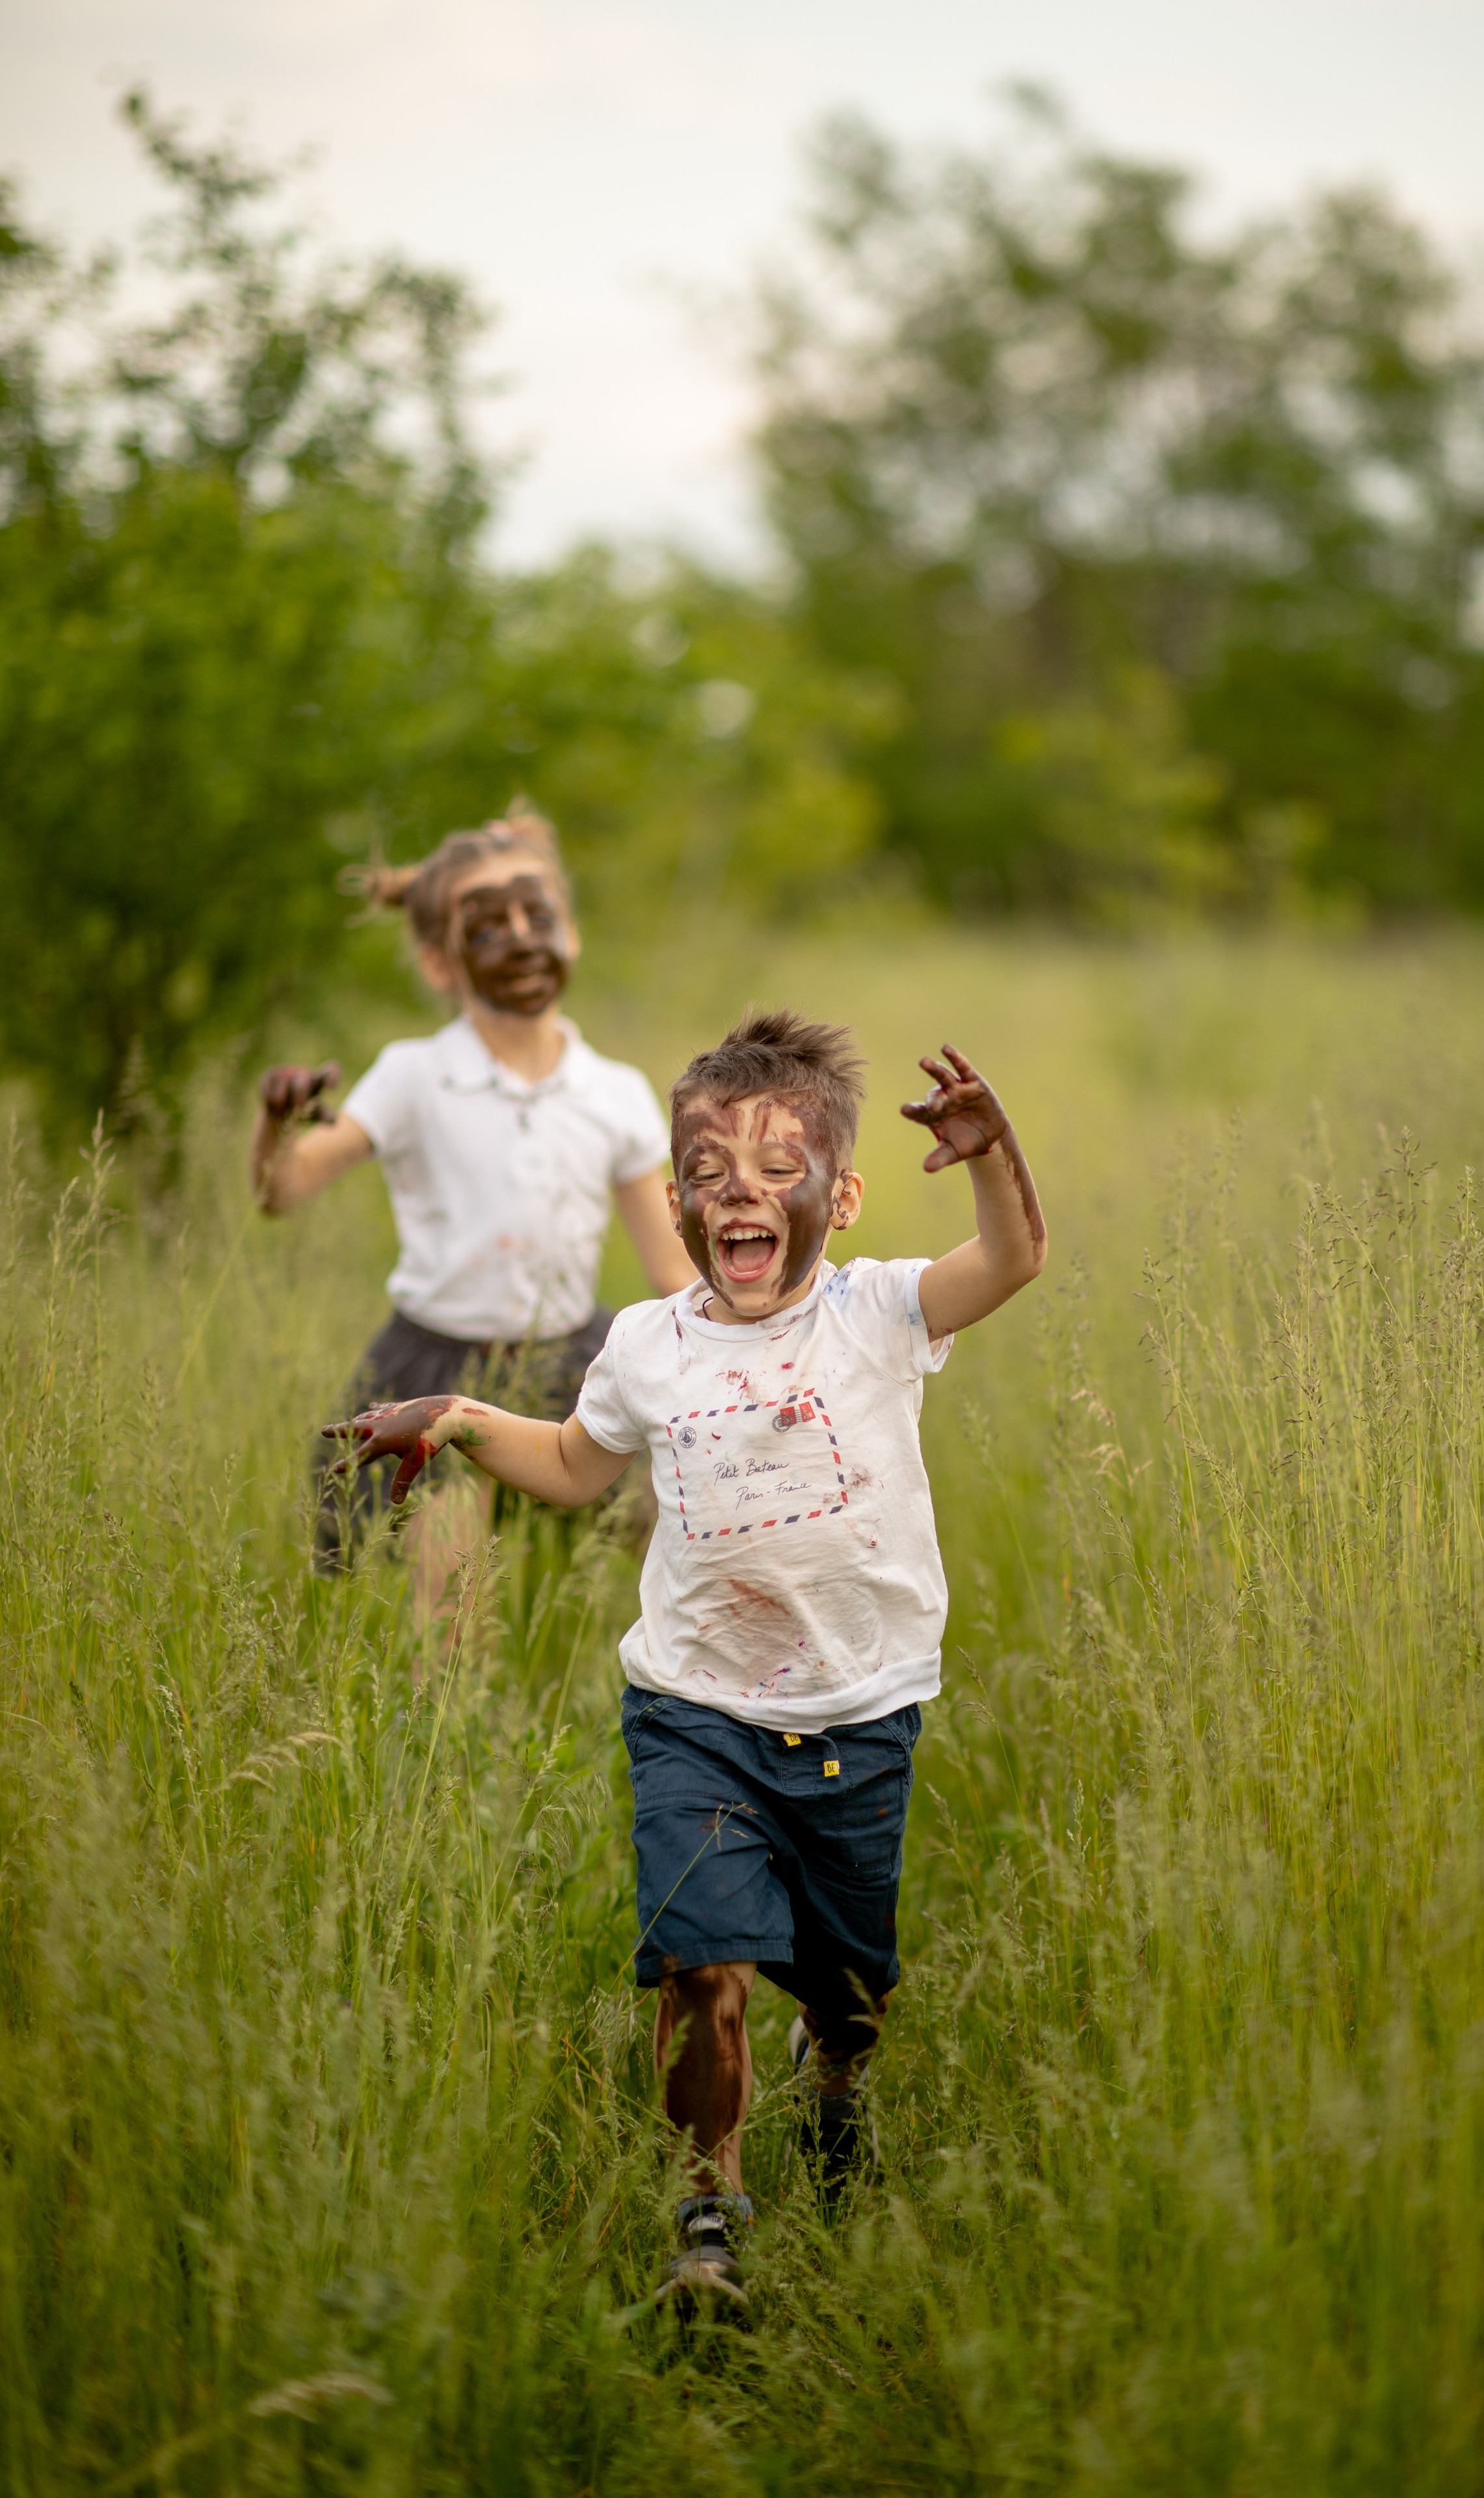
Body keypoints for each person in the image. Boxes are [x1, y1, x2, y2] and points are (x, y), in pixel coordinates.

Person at [325, 1008, 1047, 2302]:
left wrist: (993, 1156)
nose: (742, 1198)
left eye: (779, 1175)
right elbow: (571, 1462)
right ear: (674, 1200)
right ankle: (704, 2218)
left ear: (843, 1191)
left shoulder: (878, 1311)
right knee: (698, 1954)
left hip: (857, 1713)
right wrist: (459, 1416)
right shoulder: (648, 1345)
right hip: (690, 1709)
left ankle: (837, 2086)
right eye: (710, 1178)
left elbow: (1009, 1261)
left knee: (844, 1985)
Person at [251, 802, 695, 1604]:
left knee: (675, 1553)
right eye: (487, 928)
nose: (521, 938)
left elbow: (669, 1265)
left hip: (575, 1358)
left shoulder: (615, 1092)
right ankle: (450, 1728)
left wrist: (749, 1347)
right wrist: (276, 1127)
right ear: (438, 963)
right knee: (449, 1617)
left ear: (571, 931)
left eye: (538, 914)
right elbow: (283, 1190)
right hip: (438, 1364)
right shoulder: (412, 1076)